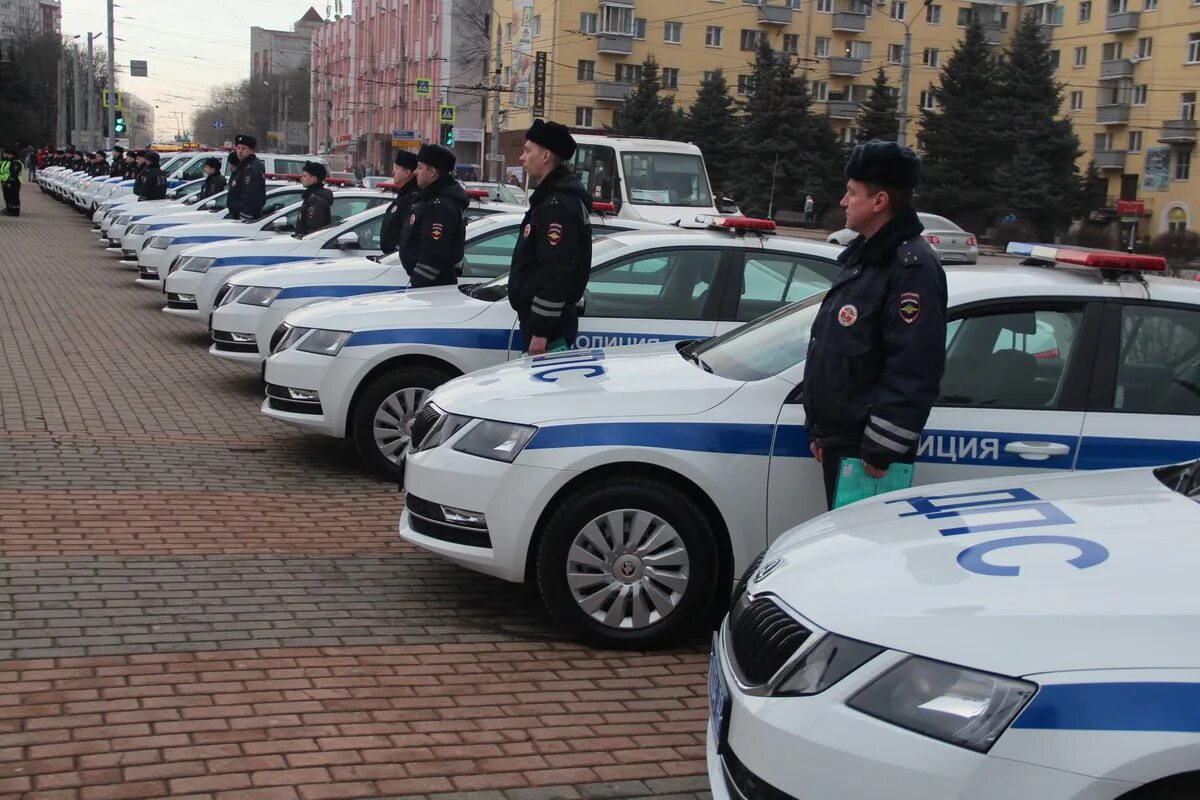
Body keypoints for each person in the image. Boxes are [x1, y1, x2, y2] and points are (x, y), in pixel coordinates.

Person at [803, 140, 947, 510]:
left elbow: (914, 365)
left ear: (879, 201)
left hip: (868, 454)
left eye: (852, 192)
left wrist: (882, 447)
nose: (843, 201)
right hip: (844, 440)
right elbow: (839, 346)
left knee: (863, 554)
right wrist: (820, 429)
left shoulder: (911, 268)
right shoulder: (865, 257)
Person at [507, 119, 593, 356]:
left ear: (545, 156)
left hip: (548, 329)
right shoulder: (551, 200)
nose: (522, 158)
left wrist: (541, 331)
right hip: (543, 324)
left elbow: (554, 270)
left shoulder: (558, 206)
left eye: (527, 150)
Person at [397, 143, 468, 288]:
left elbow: (433, 254)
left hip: (431, 288)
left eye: (420, 167)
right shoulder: (431, 199)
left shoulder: (440, 206)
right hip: (432, 285)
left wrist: (416, 285)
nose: (416, 172)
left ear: (432, 172)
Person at [378, 150, 420, 256]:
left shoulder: (411, 199)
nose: (393, 172)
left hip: (398, 261)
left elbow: (407, 234)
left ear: (407, 173)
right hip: (392, 258)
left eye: (396, 168)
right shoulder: (404, 195)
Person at [226, 134, 266, 220]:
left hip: (245, 217)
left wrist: (245, 216)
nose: (240, 151)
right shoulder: (242, 166)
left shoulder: (253, 167)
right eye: (238, 148)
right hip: (237, 215)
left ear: (251, 150)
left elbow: (253, 195)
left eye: (243, 149)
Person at [293, 161, 334, 237]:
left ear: (314, 179)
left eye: (305, 176)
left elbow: (313, 231)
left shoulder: (316, 201)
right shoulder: (311, 197)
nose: (302, 179)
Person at [1, 145, 23, 216]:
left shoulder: (16, 162)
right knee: (8, 197)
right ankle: (9, 209)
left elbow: (14, 174)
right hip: (7, 181)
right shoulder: (9, 162)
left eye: (9, 154)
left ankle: (15, 211)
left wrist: (10, 182)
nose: (8, 155)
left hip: (14, 182)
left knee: (14, 197)